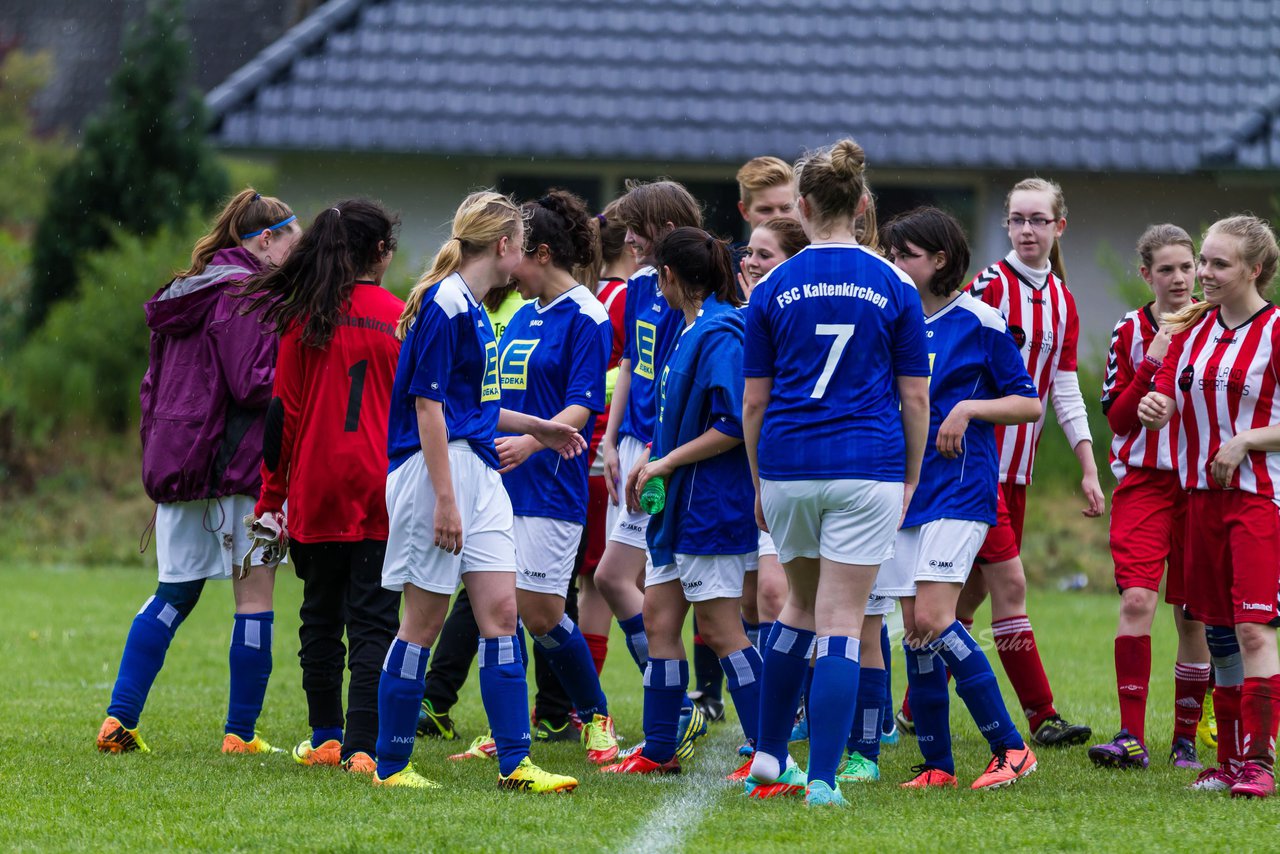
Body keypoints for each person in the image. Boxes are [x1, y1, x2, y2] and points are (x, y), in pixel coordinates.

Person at [373, 190, 584, 792]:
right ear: (504, 245)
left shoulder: (472, 305)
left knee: (502, 612)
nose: (526, 251)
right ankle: (391, 767)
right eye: (522, 240)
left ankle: (516, 765)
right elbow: (428, 409)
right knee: (423, 621)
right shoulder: (445, 303)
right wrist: (444, 498)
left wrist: (536, 425)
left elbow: (472, 408)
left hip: (480, 469)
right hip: (438, 474)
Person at [742, 139, 930, 807]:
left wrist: (760, 480)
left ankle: (768, 753)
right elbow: (914, 397)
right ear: (862, 206)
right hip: (867, 464)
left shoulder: (772, 286)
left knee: (797, 605)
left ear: (801, 205)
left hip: (789, 462)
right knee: (842, 620)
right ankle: (822, 779)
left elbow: (755, 400)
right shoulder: (895, 283)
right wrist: (910, 476)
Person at [97, 189, 301, 755]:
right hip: (236, 471)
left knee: (172, 594)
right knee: (255, 597)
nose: (297, 257)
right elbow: (252, 383)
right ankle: (239, 735)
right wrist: (302, 362)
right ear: (265, 240)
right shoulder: (243, 292)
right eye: (293, 243)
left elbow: (153, 388)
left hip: (183, 467)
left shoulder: (188, 290)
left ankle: (119, 719)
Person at [874, 206, 1042, 789]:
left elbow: (1028, 402)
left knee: (934, 617)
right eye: (893, 255)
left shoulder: (980, 321)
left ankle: (1012, 747)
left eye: (907, 256)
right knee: (915, 630)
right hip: (902, 493)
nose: (896, 265)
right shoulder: (893, 318)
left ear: (940, 260)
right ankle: (938, 764)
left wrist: (970, 408)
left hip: (961, 489)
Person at [238, 199, 405, 775]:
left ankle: (327, 736)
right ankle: (364, 746)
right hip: (378, 489)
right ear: (378, 253)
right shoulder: (398, 316)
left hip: (315, 487)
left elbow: (280, 415)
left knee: (320, 615)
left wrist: (270, 500)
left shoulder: (302, 315)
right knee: (375, 619)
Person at [934, 177, 1101, 748]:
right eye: (1016, 219)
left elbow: (1063, 388)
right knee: (1009, 585)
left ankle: (910, 703)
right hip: (977, 471)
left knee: (969, 595)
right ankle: (1042, 715)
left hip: (1019, 472)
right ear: (1006, 225)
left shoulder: (1063, 299)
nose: (1027, 230)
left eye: (1038, 220)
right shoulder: (986, 289)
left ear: (1060, 227)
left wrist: (1086, 464)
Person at [599, 228, 762, 776]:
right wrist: (651, 456)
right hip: (676, 511)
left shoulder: (721, 333)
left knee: (719, 629)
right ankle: (659, 749)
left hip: (709, 509)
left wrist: (666, 463)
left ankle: (768, 752)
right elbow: (675, 418)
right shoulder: (692, 328)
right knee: (660, 619)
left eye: (656, 276)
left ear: (669, 276)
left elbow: (733, 425)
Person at [1138, 214, 1280, 799]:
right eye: (1204, 261)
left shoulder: (1275, 329)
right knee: (1218, 632)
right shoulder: (1193, 327)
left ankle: (1260, 764)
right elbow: (1161, 390)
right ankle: (1226, 759)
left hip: (1257, 501)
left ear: (1255, 270)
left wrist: (1247, 440)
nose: (1203, 273)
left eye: (1219, 264)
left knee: (1252, 631)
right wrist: (1152, 403)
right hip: (1198, 501)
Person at [497, 190, 617, 764]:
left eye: (514, 252)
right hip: (500, 486)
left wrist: (531, 439)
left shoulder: (589, 317)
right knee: (499, 607)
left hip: (550, 487)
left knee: (542, 613)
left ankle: (596, 717)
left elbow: (582, 407)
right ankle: (508, 728)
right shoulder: (519, 315)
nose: (506, 266)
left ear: (541, 253)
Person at [593, 180, 710, 755]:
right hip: (637, 447)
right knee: (629, 581)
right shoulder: (642, 287)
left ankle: (681, 706)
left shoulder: (688, 291)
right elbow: (633, 363)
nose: (628, 237)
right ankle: (678, 705)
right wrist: (612, 440)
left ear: (664, 226)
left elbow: (680, 382)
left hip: (665, 454)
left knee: (622, 579)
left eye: (637, 226)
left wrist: (656, 460)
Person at [1089, 224, 1210, 771]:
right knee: (1137, 599)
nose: (1181, 279)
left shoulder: (1220, 324)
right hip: (1145, 483)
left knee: (1192, 615)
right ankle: (1130, 736)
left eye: (1188, 267)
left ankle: (1185, 738)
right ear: (1147, 275)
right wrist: (1151, 367)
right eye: (1167, 269)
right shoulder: (1129, 331)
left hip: (1204, 483)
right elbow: (1115, 417)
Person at [737, 216, 809, 649]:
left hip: (784, 463)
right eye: (749, 253)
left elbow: (756, 401)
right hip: (746, 467)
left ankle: (799, 703)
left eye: (765, 255)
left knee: (775, 591)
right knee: (748, 598)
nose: (751, 262)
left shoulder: (787, 311)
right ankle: (767, 703)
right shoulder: (745, 310)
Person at [576, 201, 637, 674]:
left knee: (587, 579)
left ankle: (568, 703)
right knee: (603, 578)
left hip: (579, 450)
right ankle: (581, 700)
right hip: (603, 454)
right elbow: (621, 374)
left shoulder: (583, 294)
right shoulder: (625, 298)